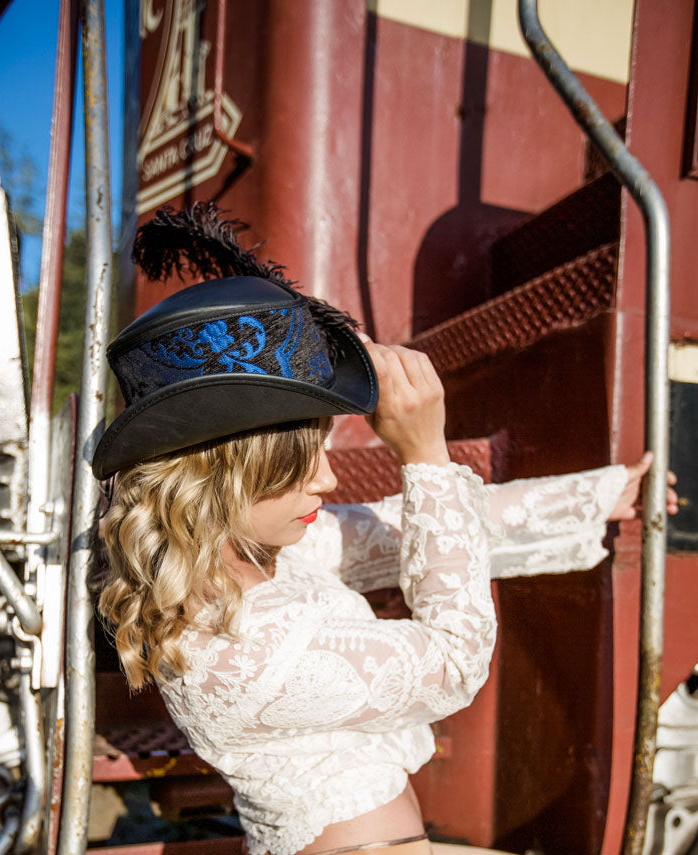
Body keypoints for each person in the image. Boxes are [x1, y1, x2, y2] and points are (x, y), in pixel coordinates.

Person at [92, 204, 677, 855]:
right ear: (216, 485)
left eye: (321, 449)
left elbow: (409, 528)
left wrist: (598, 494)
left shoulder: (244, 564)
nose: (328, 481)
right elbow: (455, 657)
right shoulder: (243, 652)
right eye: (295, 466)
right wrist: (426, 453)